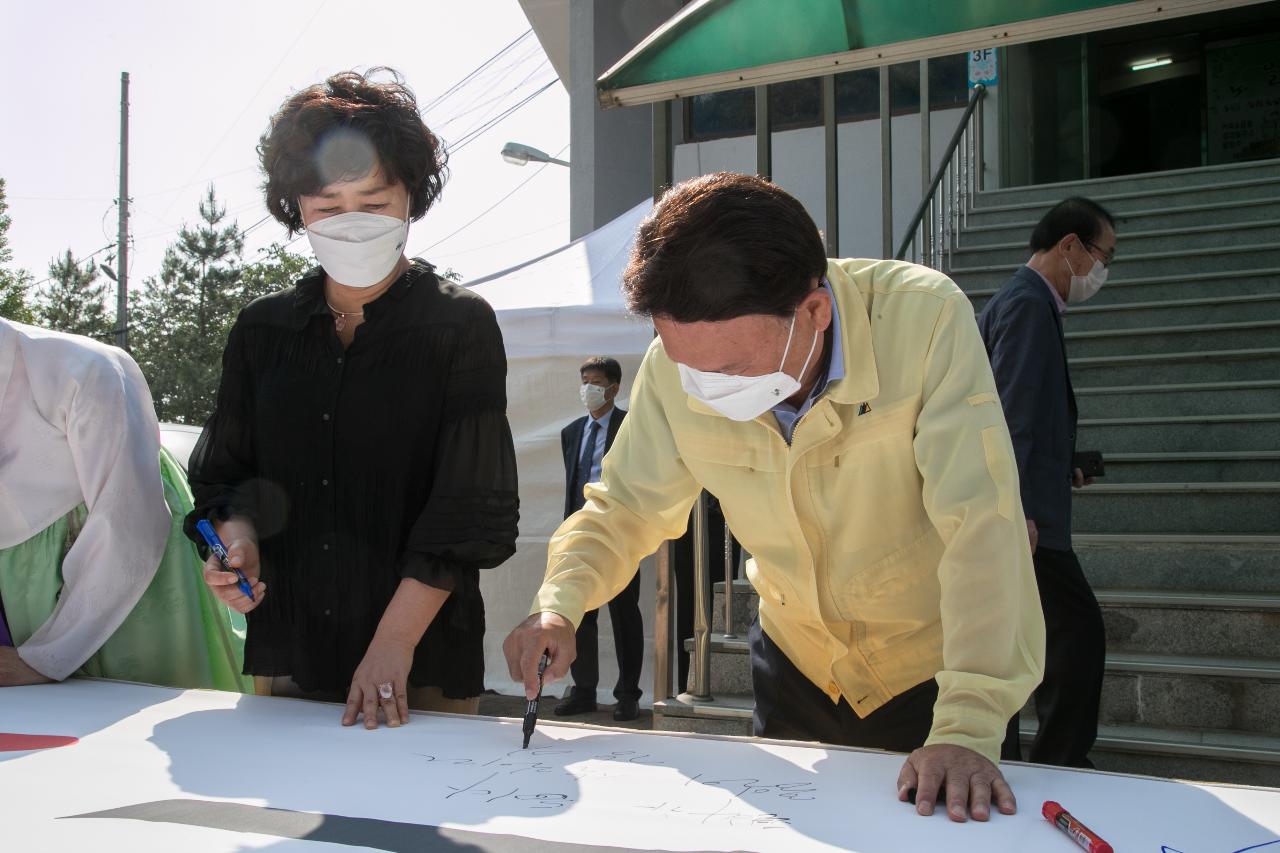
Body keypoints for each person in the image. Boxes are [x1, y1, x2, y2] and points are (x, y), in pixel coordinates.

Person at [505, 172, 1044, 823]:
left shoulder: (921, 319)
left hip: (933, 670)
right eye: (686, 365)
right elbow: (622, 507)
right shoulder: (676, 372)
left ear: (814, 312)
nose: (704, 390)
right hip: (795, 663)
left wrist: (967, 724)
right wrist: (558, 606)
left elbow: (981, 525)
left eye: (729, 370)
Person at [187, 69, 519, 730]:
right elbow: (222, 479)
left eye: (373, 199)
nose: (352, 222)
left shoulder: (459, 325)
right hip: (290, 652)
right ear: (296, 209)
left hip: (419, 666)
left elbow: (468, 512)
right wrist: (236, 542)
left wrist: (392, 643)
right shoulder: (262, 330)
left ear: (409, 199)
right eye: (328, 205)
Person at [0, 318, 248, 692]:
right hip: (21, 604)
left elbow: (130, 524)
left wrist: (46, 658)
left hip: (128, 604)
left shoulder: (85, 369)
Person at [978, 197, 1114, 768]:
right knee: (1076, 635)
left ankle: (1007, 755)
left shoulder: (1025, 304)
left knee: (1020, 639)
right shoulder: (1029, 305)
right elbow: (1011, 416)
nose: (1103, 270)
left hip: (1025, 508)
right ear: (1070, 247)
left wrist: (1066, 463)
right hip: (1028, 522)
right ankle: (1060, 759)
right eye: (1103, 255)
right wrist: (1020, 510)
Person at [554, 357, 643, 722]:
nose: (588, 388)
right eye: (585, 381)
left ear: (613, 387)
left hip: (620, 535)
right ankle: (584, 690)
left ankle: (628, 695)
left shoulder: (631, 427)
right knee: (580, 615)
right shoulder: (571, 432)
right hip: (581, 534)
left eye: (595, 382)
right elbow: (573, 483)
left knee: (624, 616)